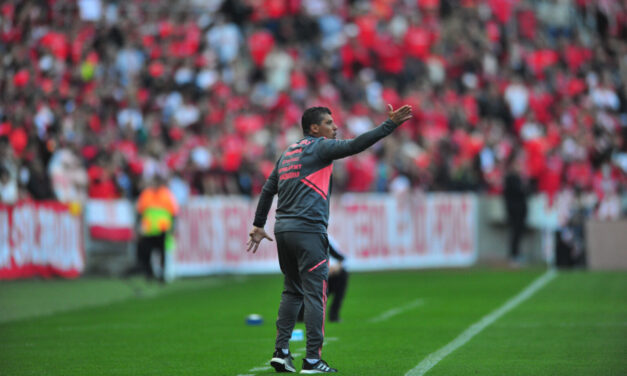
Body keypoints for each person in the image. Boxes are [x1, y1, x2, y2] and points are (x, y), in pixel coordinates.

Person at [247, 104, 412, 373]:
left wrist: (257, 224)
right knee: (315, 295)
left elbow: (267, 190)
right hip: (308, 231)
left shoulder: (288, 153)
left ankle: (281, 352)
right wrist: (389, 125)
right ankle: (312, 359)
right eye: (329, 122)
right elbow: (355, 145)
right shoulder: (319, 147)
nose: (335, 128)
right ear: (314, 128)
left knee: (292, 290)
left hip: (283, 231)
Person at [131, 175, 179, 282]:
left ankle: (163, 274)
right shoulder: (146, 194)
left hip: (162, 229)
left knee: (163, 253)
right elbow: (140, 212)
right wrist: (138, 226)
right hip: (149, 230)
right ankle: (150, 273)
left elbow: (174, 213)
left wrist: (173, 227)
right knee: (148, 253)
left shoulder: (167, 195)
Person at [503, 154, 529, 266]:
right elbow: (519, 192)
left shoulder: (519, 178)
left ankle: (516, 254)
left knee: (518, 233)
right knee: (515, 232)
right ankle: (513, 255)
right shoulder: (510, 178)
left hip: (520, 209)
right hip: (514, 209)